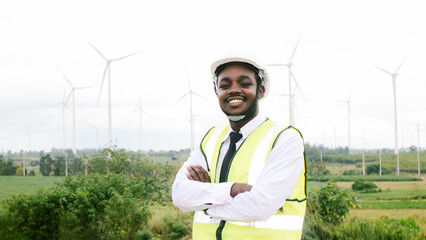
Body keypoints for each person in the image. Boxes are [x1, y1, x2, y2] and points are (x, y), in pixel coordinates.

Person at [172, 50, 306, 240]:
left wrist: (204, 203)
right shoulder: (210, 138)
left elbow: (260, 206)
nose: (234, 90)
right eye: (225, 85)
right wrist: (234, 190)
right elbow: (180, 195)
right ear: (216, 91)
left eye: (245, 83)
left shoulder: (285, 139)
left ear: (260, 90)